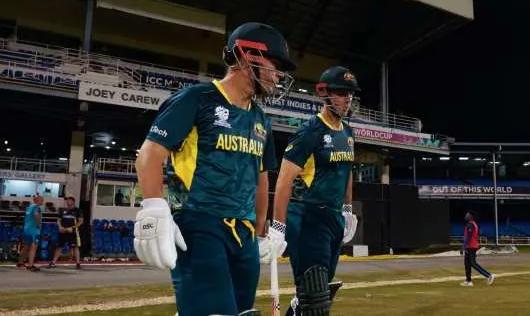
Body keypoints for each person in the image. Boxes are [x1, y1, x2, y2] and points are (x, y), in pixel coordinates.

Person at [133, 21, 295, 316]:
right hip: (199, 221)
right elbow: (150, 152)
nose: (279, 75)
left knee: (242, 311)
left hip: (243, 233)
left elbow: (261, 178)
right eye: (276, 64)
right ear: (249, 56)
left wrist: (262, 232)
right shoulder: (197, 98)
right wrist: (154, 206)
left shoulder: (261, 119)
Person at [262, 65, 360, 316]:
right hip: (307, 217)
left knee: (319, 294)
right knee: (315, 296)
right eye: (340, 92)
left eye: (350, 93)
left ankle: (297, 308)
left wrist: (348, 209)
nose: (347, 98)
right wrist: (279, 226)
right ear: (324, 93)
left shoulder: (348, 133)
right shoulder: (310, 132)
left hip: (334, 218)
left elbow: (347, 170)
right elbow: (283, 180)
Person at [460, 211, 495, 287]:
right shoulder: (473, 224)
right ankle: (468, 281)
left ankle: (489, 275)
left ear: (470, 216)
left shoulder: (470, 224)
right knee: (467, 264)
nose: (465, 216)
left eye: (467, 214)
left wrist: (463, 246)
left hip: (471, 247)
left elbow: (469, 236)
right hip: (470, 246)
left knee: (472, 263)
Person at [49, 197, 83, 269]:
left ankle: (78, 263)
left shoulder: (78, 211)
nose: (68, 202)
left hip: (73, 232)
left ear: (73, 202)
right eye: (67, 201)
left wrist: (72, 228)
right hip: (63, 231)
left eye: (69, 201)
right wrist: (60, 227)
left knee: (75, 247)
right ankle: (53, 262)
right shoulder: (62, 210)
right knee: (59, 247)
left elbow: (80, 222)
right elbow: (58, 220)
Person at [17, 193, 43, 272]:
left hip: (27, 229)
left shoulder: (29, 207)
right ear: (37, 200)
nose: (42, 201)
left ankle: (20, 263)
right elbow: (36, 215)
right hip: (34, 230)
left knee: (26, 246)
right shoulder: (36, 207)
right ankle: (30, 265)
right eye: (41, 199)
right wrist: (38, 224)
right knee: (33, 247)